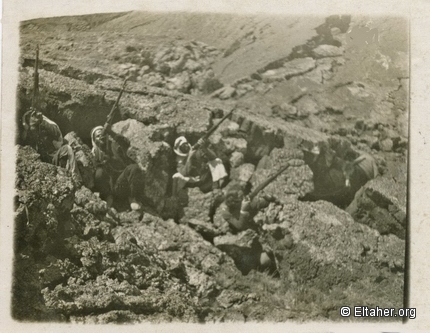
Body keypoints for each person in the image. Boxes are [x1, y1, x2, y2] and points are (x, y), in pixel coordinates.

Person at [172, 136, 227, 220]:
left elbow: (213, 157)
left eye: (186, 145)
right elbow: (183, 173)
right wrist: (190, 157)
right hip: (193, 184)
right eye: (183, 147)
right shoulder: (179, 161)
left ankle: (216, 189)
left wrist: (204, 148)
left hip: (206, 180)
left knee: (216, 161)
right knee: (178, 177)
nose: (186, 147)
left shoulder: (196, 151)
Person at [91, 125, 144, 211]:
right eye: (97, 136)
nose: (101, 137)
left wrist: (111, 132)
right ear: (94, 139)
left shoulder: (114, 145)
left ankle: (132, 198)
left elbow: (125, 143)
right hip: (110, 187)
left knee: (133, 168)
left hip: (121, 183)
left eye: (103, 134)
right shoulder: (94, 153)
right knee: (99, 172)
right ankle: (109, 197)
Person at [22, 108, 79, 178]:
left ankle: (74, 175)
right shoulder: (31, 135)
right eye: (33, 114)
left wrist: (42, 121)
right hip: (44, 164)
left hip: (55, 157)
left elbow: (57, 135)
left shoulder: (47, 126)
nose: (33, 130)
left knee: (67, 148)